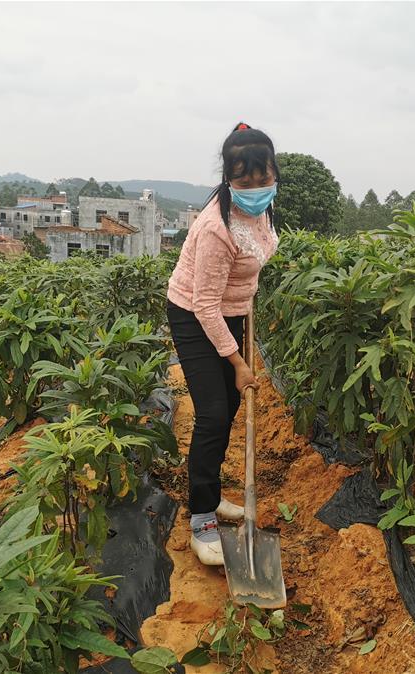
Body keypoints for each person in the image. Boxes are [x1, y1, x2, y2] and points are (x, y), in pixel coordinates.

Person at [165, 121, 281, 566]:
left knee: (230, 409)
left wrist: (245, 320)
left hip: (233, 313)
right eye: (244, 182)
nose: (256, 187)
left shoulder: (263, 211)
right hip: (194, 314)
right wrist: (238, 363)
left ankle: (212, 497)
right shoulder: (217, 227)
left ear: (273, 174)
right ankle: (200, 518)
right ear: (228, 180)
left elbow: (245, 278)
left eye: (263, 178)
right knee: (213, 413)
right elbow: (204, 304)